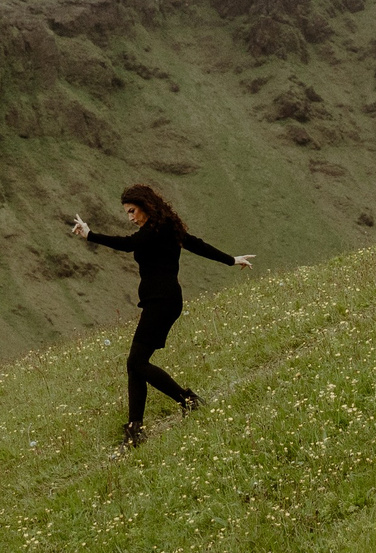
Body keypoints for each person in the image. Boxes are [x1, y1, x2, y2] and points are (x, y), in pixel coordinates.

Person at [70, 185, 254, 446]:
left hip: (162, 302)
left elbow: (127, 245)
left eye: (132, 211)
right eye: (127, 213)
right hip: (160, 301)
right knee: (135, 364)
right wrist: (231, 260)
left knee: (136, 363)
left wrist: (90, 235)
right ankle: (135, 429)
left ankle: (186, 400)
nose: (130, 217)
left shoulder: (155, 231)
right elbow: (195, 244)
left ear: (146, 206)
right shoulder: (165, 227)